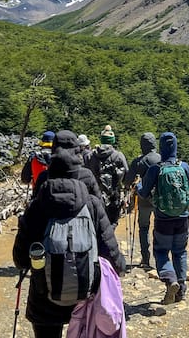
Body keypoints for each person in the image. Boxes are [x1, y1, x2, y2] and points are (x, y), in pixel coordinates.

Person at [13, 132, 126, 338]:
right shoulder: (91, 200)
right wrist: (119, 267)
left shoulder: (40, 200)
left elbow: (20, 258)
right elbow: (107, 242)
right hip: (84, 290)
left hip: (44, 294)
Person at [136, 131, 189, 304]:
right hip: (182, 218)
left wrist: (138, 186)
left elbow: (143, 193)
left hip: (163, 220)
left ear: (162, 147)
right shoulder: (184, 166)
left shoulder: (156, 169)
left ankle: (170, 280)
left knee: (161, 251)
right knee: (180, 252)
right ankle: (181, 290)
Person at [122, 131, 161, 268]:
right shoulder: (161, 158)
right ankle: (160, 259)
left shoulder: (139, 161)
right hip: (160, 198)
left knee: (144, 227)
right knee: (159, 226)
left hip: (144, 198)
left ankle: (145, 259)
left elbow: (127, 180)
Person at [32, 130, 101, 200]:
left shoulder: (44, 176)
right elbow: (99, 202)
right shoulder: (87, 175)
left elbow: (34, 204)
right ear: (77, 149)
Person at [88, 125, 128, 226]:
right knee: (112, 223)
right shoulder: (118, 156)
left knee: (95, 223)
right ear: (112, 140)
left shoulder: (91, 155)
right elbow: (126, 174)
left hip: (94, 196)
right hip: (113, 196)